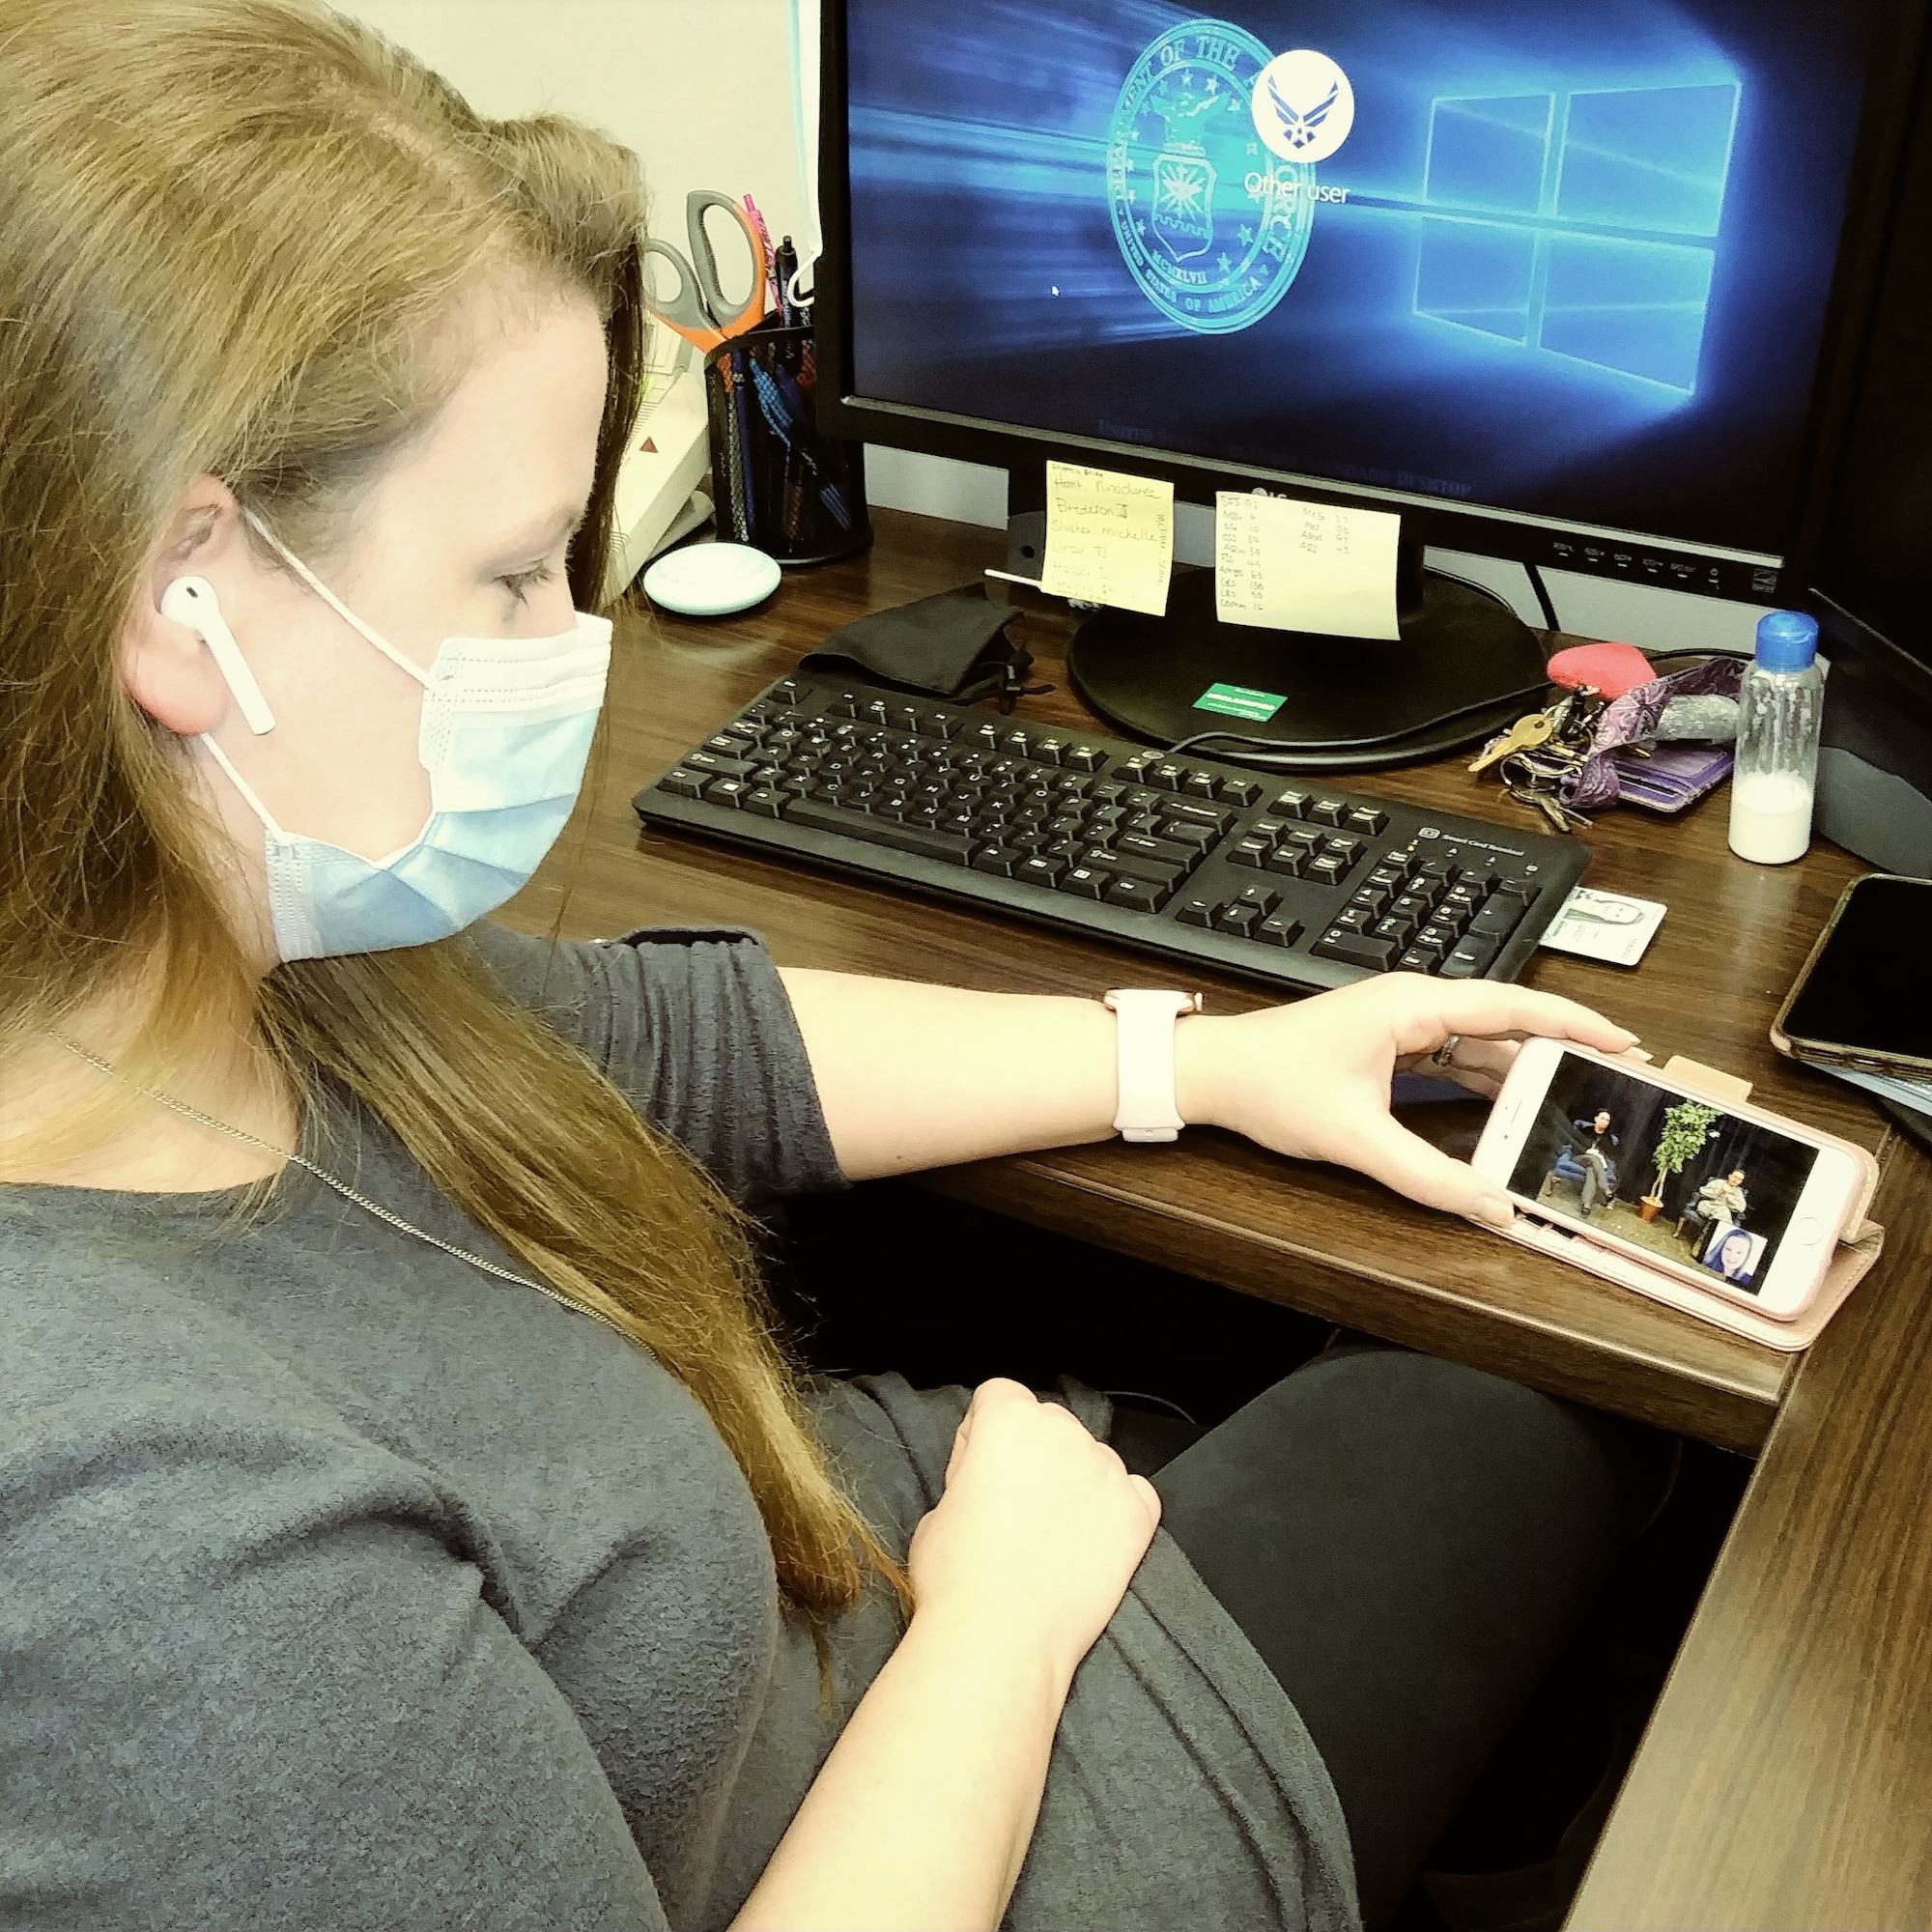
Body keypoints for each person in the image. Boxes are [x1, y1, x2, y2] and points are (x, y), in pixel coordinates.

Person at [0, 6, 1667, 1929]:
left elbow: (660, 1036)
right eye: (518, 570)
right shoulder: (122, 1546)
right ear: (181, 602)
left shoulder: (214, 955)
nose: (576, 637)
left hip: (858, 1570)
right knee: (1517, 1415)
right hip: (976, 1750)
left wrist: (1210, 1060)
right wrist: (1004, 1621)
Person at [1568, 1107, 1621, 1214]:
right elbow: (1575, 1146)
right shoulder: (1584, 1131)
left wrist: (1599, 1155)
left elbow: (1608, 1156)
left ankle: (1586, 1205)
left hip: (1594, 1165)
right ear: (1596, 1119)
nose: (1604, 1122)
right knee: (1592, 1158)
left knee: (1591, 1171)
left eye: (1607, 1120)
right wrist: (1589, 1152)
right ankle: (1606, 1190)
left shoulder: (1609, 1139)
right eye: (1602, 1118)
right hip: (1579, 1157)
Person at [1684, 1168, 1749, 1253]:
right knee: (1723, 1215)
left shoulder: (1738, 1193)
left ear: (1741, 1182)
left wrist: (1729, 1198)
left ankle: (1701, 1243)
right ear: (1729, 1176)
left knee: (1718, 1217)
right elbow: (1702, 1190)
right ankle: (1712, 1247)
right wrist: (1719, 1191)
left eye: (1739, 1179)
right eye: (1735, 1177)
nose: (1736, 1180)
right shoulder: (1718, 1182)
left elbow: (1741, 1208)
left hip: (1721, 1213)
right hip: (1707, 1205)